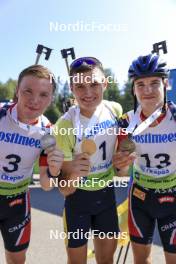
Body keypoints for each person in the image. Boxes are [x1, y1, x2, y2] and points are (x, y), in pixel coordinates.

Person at [54, 57, 123, 264]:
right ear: (72, 89)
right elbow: (64, 189)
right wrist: (73, 174)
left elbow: (120, 167)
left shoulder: (115, 110)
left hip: (106, 197)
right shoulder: (64, 125)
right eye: (80, 86)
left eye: (94, 84)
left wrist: (122, 162)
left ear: (105, 83)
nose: (88, 93)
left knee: (106, 260)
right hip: (77, 201)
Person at [113, 53, 176, 264]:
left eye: (154, 83)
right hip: (140, 198)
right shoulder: (125, 123)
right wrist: (120, 165)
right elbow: (120, 172)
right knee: (141, 260)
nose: (147, 90)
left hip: (172, 197)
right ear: (133, 88)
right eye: (140, 84)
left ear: (166, 84)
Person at [0, 65, 63, 264]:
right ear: (17, 91)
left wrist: (54, 170)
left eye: (43, 94)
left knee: (17, 260)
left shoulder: (48, 132)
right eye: (28, 91)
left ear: (51, 98)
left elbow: (46, 184)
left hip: (16, 202)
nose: (35, 100)